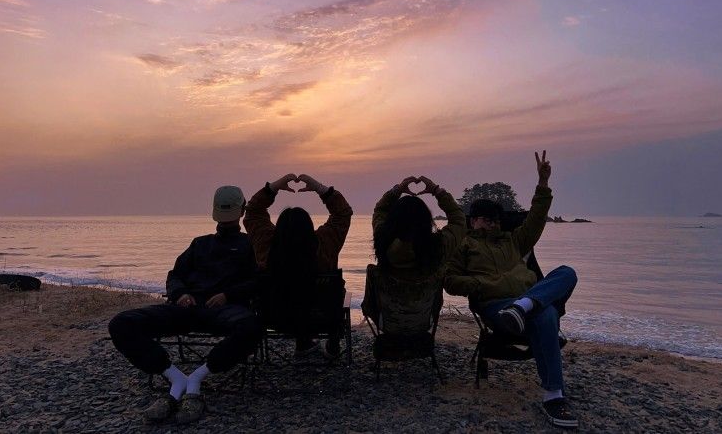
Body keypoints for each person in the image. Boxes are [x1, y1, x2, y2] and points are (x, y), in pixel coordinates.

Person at [444, 151, 579, 429]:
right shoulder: (465, 246)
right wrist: (482, 285)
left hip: (524, 303)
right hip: (497, 307)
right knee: (547, 317)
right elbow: (450, 281)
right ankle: (554, 396)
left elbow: (535, 220)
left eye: (495, 219)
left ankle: (525, 306)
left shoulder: (513, 241)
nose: (491, 223)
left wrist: (543, 185)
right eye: (484, 218)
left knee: (566, 273)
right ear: (473, 221)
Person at [109, 186, 262, 424]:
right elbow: (175, 275)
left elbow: (258, 281)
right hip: (186, 308)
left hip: (225, 311)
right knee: (121, 324)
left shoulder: (249, 245)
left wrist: (227, 295)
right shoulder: (200, 244)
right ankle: (176, 377)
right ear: (242, 210)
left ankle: (197, 378)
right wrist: (180, 294)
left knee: (252, 327)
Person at [243, 173, 352, 358]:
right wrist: (320, 189)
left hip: (276, 319)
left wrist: (272, 188)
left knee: (295, 297)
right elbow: (342, 214)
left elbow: (253, 212)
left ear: (278, 230)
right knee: (331, 294)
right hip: (322, 319)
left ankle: (304, 344)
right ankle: (331, 343)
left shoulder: (266, 246)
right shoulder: (324, 245)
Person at [362, 176, 466, 329]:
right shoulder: (438, 246)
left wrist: (396, 191)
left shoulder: (382, 240)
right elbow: (458, 220)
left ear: (392, 221)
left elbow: (380, 210)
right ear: (426, 221)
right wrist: (437, 191)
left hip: (386, 323)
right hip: (425, 322)